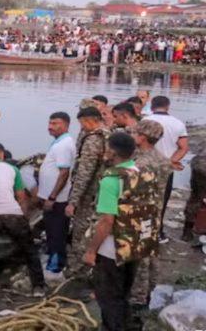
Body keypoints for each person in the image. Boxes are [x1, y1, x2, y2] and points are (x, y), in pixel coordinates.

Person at [83, 132, 159, 331]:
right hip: (136, 243)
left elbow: (107, 221)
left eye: (107, 148)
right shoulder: (143, 172)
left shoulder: (111, 179)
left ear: (112, 152)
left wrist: (91, 250)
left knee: (108, 297)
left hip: (112, 249)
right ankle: (125, 325)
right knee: (124, 292)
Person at [0, 143, 46, 297]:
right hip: (12, 213)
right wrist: (23, 217)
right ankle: (38, 287)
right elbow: (21, 196)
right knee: (30, 250)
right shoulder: (12, 169)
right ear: (1, 155)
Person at [128, 119, 171, 323]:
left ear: (142, 137)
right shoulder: (162, 158)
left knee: (140, 257)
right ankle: (150, 288)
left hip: (141, 213)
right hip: (155, 212)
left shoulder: (143, 163)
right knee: (150, 253)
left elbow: (133, 191)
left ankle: (138, 300)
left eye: (136, 133)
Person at [65, 107, 108, 276]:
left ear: (89, 120)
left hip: (90, 194)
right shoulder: (108, 134)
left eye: (82, 123)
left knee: (81, 232)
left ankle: (78, 271)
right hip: (102, 191)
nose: (82, 127)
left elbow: (84, 173)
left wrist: (73, 202)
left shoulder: (93, 140)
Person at [145, 96, 189, 242]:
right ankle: (158, 232)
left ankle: (142, 231)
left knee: (143, 199)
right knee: (161, 201)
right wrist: (171, 161)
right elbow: (183, 148)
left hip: (145, 166)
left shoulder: (145, 121)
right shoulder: (178, 123)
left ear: (152, 106)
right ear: (168, 106)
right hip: (165, 169)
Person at [37, 112, 75, 274]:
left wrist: (52, 197)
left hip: (58, 199)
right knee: (52, 230)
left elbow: (64, 173)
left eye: (55, 124)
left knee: (57, 231)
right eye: (50, 123)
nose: (50, 127)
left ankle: (56, 266)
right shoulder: (59, 143)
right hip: (52, 197)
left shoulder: (63, 145)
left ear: (66, 125)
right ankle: (53, 257)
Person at [183, 154, 206, 242]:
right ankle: (188, 230)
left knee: (196, 198)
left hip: (199, 163)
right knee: (197, 198)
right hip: (201, 165)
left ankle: (187, 231)